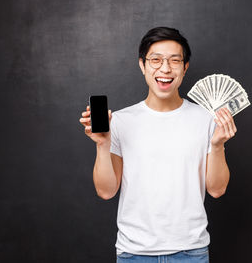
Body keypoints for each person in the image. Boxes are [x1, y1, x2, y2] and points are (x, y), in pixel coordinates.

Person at [79, 27, 237, 263]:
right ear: (142, 65)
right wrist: (102, 144)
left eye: (175, 61)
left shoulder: (206, 118)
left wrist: (217, 146)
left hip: (191, 252)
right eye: (156, 60)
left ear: (185, 68)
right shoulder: (120, 121)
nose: (165, 69)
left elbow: (217, 189)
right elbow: (106, 191)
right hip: (134, 254)